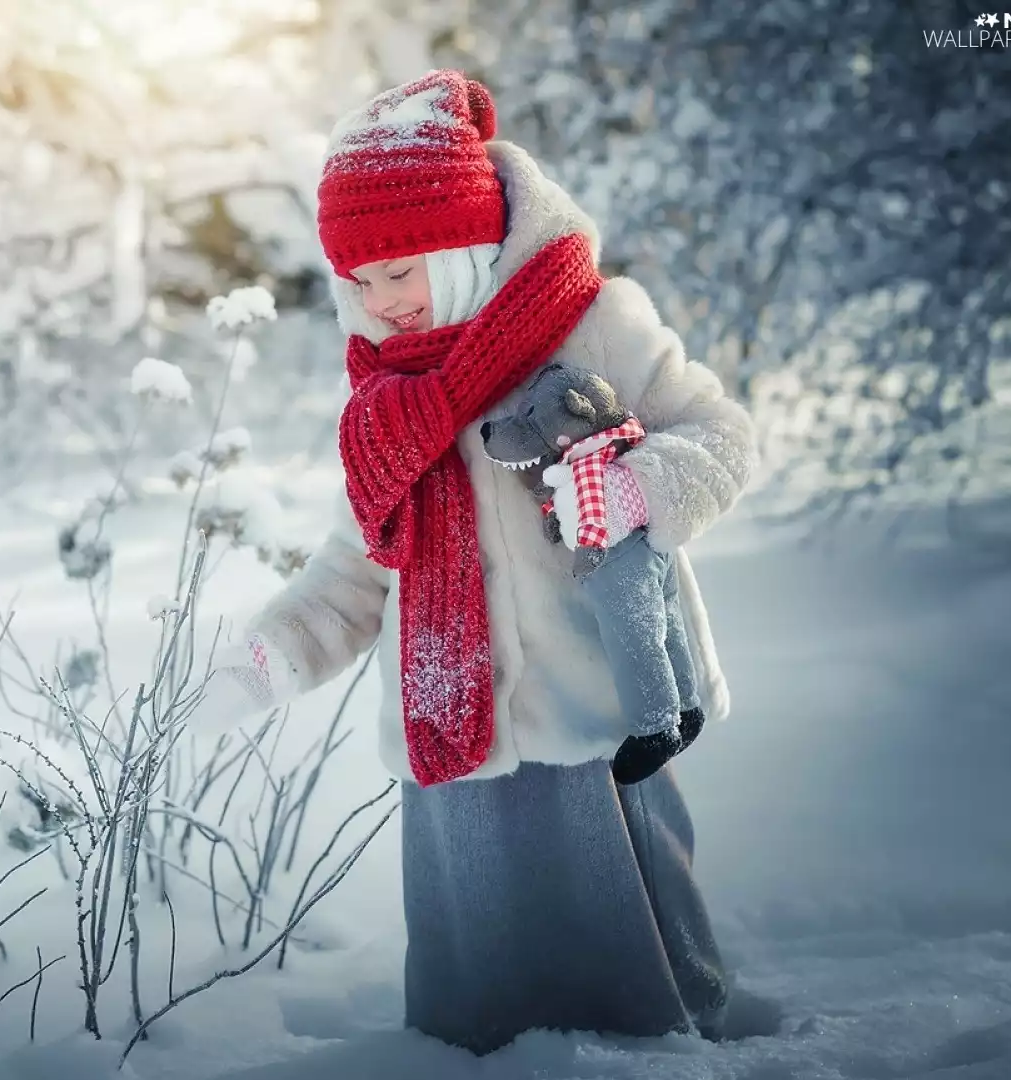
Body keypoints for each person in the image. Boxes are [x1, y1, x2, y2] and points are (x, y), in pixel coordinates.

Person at [189, 70, 756, 1054]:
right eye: (356, 281)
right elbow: (357, 569)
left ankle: (670, 1057)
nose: (380, 301)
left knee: (639, 959)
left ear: (460, 244)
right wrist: (270, 656)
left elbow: (722, 438)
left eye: (399, 271)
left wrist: (636, 489)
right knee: (483, 1003)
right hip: (457, 732)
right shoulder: (387, 411)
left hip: (602, 715)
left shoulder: (596, 323)